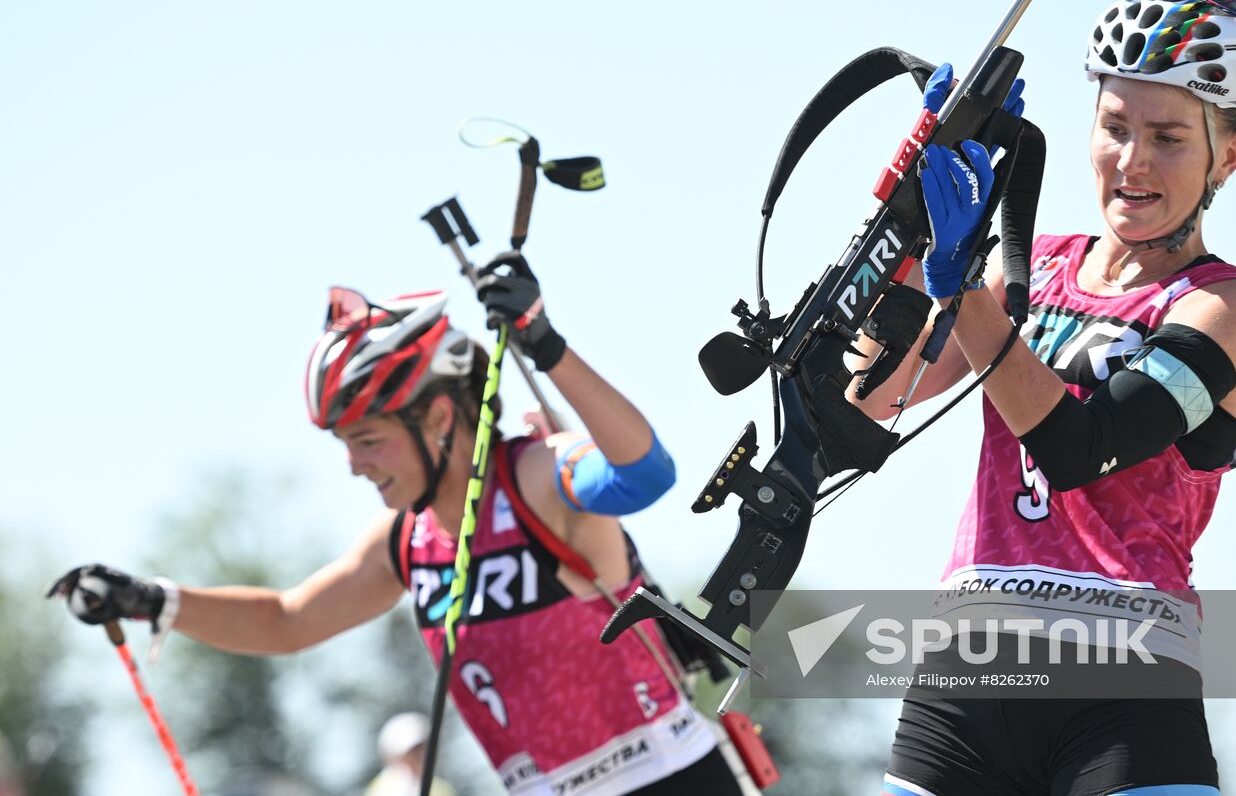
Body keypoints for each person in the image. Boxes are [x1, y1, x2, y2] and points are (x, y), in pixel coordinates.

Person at [49, 252, 744, 795]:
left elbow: (644, 475)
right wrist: (155, 600)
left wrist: (545, 343)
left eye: (369, 439)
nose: (354, 466)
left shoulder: (533, 475)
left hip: (669, 781)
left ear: (439, 417)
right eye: (344, 444)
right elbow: (287, 621)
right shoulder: (407, 543)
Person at [854, 0, 1236, 796]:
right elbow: (870, 399)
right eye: (1116, 125)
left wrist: (958, 285)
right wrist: (906, 236)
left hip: (1124, 689)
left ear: (1227, 156)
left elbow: (1080, 447)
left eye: (1169, 138)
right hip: (966, 673)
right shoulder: (1027, 266)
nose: (1134, 163)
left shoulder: (1228, 306)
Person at [366, 712, 455, 796]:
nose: (419, 755)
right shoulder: (381, 788)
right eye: (412, 752)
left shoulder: (441, 789)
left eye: (421, 748)